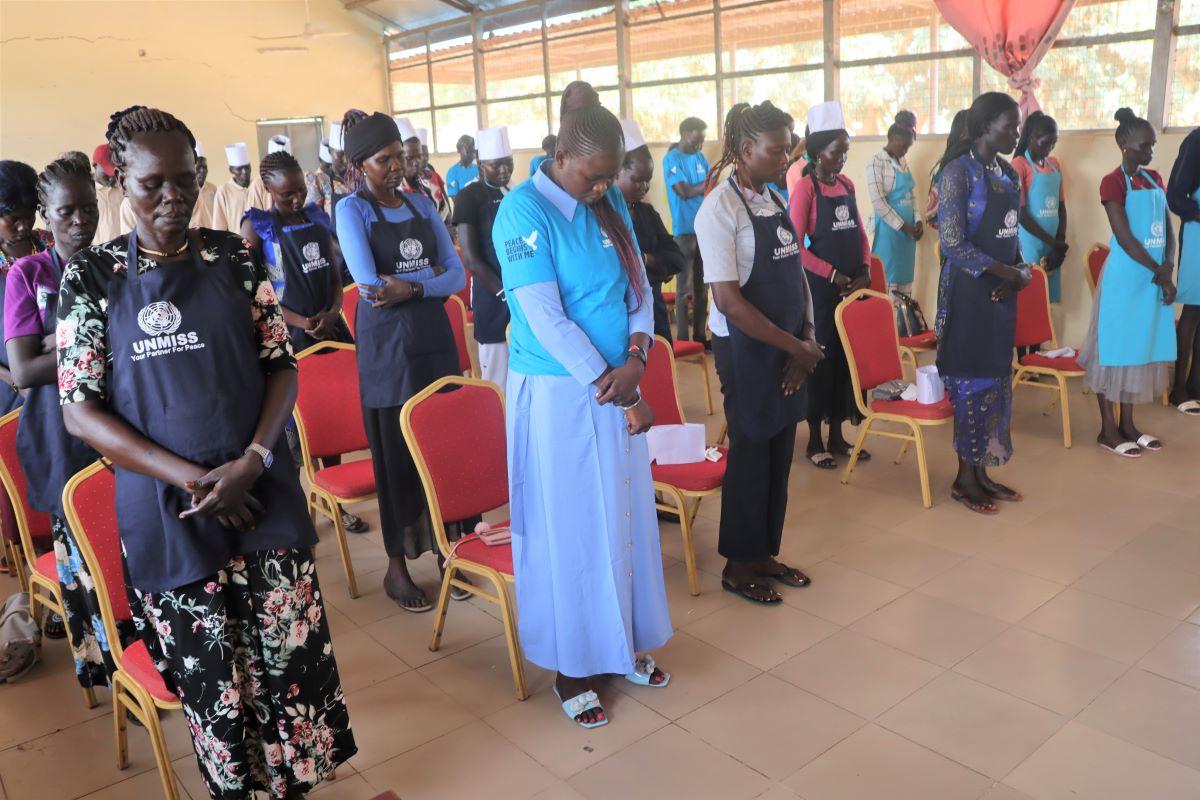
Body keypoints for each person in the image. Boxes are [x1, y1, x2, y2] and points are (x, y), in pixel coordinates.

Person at [58, 105, 355, 798]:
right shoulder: (93, 278)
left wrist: (253, 459)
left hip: (260, 491)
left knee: (291, 669)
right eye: (152, 183)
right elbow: (80, 411)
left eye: (185, 180)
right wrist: (195, 479)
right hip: (172, 509)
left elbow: (281, 366)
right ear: (122, 185)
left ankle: (297, 787)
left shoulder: (234, 257)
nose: (172, 197)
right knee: (216, 684)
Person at [493, 82, 671, 728]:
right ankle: (573, 667)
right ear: (561, 155)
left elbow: (638, 288)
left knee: (623, 518)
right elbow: (545, 319)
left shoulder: (608, 202)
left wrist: (638, 358)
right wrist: (615, 384)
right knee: (572, 529)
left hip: (618, 381)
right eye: (592, 177)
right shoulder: (522, 213)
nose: (601, 189)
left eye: (608, 179)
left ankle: (619, 645)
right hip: (559, 395)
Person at [335, 112, 468, 611]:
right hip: (388, 352)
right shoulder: (352, 211)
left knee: (443, 447)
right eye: (384, 160)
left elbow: (456, 276)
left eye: (399, 157)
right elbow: (370, 287)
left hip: (433, 342)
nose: (396, 167)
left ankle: (449, 552)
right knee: (395, 454)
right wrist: (427, 278)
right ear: (360, 165)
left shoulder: (421, 203)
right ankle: (397, 567)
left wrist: (411, 287)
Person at [697, 101, 822, 605]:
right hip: (746, 349)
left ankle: (765, 552)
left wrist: (807, 338)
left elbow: (797, 277)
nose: (786, 157)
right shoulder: (719, 209)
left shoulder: (773, 197)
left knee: (779, 451)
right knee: (751, 453)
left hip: (789, 346)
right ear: (746, 149)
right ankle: (737, 564)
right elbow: (729, 302)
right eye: (777, 150)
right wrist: (798, 348)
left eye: (788, 148)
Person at [6, 154, 113, 685]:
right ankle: (104, 668)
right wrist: (96, 343)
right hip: (59, 435)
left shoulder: (114, 264)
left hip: (117, 426)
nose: (80, 220)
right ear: (45, 214)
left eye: (88, 208)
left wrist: (59, 342)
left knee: (123, 548)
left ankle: (144, 660)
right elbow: (26, 370)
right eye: (67, 211)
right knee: (84, 557)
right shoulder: (28, 275)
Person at [936, 92, 1030, 513]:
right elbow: (953, 243)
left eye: (1017, 126)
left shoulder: (1007, 173)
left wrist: (1020, 272)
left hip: (1001, 293)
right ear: (985, 127)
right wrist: (1007, 273)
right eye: (1010, 126)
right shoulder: (958, 173)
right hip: (970, 293)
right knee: (970, 384)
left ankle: (983, 471)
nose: (1016, 133)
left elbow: (1013, 235)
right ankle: (963, 479)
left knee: (995, 382)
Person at [1079, 107, 1176, 456]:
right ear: (1124, 145)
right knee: (1113, 351)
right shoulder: (1113, 182)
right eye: (1144, 146)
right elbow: (1124, 237)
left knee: (1137, 349)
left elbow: (1167, 230)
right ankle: (1108, 430)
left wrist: (1168, 266)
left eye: (1152, 145)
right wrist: (1158, 271)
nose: (1150, 151)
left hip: (1151, 279)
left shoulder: (1155, 179)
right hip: (1125, 280)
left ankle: (1129, 425)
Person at [789, 101, 872, 470]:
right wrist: (831, 274)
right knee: (822, 362)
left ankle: (838, 434)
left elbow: (862, 236)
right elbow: (795, 246)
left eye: (845, 152)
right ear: (817, 151)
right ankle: (815, 440)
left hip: (851, 290)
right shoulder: (805, 189)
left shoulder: (847, 185)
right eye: (836, 152)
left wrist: (864, 270)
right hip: (822, 292)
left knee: (846, 362)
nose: (841, 159)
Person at [451, 126, 513, 389]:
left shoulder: (514, 192)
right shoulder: (469, 196)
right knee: (499, 379)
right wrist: (504, 293)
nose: (504, 171)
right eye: (496, 165)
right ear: (481, 165)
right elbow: (471, 258)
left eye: (508, 163)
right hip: (493, 295)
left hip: (520, 294)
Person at [617, 118, 684, 343]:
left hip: (655, 315)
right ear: (616, 173)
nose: (644, 187)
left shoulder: (646, 213)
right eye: (637, 180)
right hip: (622, 322)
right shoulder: (600, 218)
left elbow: (676, 258)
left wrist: (644, 259)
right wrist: (657, 269)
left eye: (648, 180)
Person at [0, 160, 52, 414]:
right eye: (13, 219)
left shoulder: (49, 244)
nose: (24, 226)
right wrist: (14, 380)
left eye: (29, 214)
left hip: (54, 374)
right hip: (10, 391)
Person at [1013, 111, 1069, 303]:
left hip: (1053, 243)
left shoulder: (1054, 164)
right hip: (1030, 241)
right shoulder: (1019, 165)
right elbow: (1021, 214)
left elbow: (1061, 206)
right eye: (1045, 143)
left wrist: (1060, 241)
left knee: (1048, 300)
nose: (1050, 148)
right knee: (1031, 299)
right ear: (1031, 138)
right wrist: (1054, 243)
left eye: (1054, 143)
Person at [664, 117, 710, 344]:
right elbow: (684, 192)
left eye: (702, 141)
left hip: (705, 229)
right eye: (696, 140)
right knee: (684, 287)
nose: (699, 146)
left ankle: (700, 337)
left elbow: (709, 189)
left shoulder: (700, 157)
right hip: (684, 229)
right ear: (684, 134)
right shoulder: (672, 159)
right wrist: (706, 185)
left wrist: (704, 186)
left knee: (703, 287)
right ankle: (683, 339)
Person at [868, 110, 923, 295]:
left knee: (905, 288)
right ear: (892, 138)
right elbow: (878, 203)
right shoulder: (876, 162)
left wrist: (918, 220)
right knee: (888, 285)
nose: (905, 151)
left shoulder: (902, 161)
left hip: (907, 237)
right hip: (888, 233)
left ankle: (904, 316)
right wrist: (905, 227)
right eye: (903, 146)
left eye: (908, 148)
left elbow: (910, 194)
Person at [1166, 123, 1200, 414]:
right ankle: (1178, 389)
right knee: (1192, 311)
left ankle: (1196, 385)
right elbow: (1175, 196)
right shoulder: (1196, 142)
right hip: (1197, 233)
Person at [121, 140, 214, 233]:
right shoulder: (128, 203)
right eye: (152, 183)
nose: (172, 195)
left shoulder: (191, 192)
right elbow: (128, 237)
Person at [393, 119, 450, 222]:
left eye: (419, 157)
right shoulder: (395, 189)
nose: (416, 162)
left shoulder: (429, 182)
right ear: (398, 158)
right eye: (409, 158)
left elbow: (445, 212)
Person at [925, 109, 969, 232]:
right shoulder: (957, 164)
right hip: (957, 234)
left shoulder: (945, 160)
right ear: (964, 134)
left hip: (948, 231)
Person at [212, 141, 254, 232]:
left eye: (247, 167)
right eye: (239, 169)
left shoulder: (257, 187)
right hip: (237, 240)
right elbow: (219, 228)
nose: (244, 172)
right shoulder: (223, 191)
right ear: (231, 170)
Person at [92, 144, 123, 242]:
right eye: (107, 174)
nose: (112, 178)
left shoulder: (124, 189)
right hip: (96, 250)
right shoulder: (87, 193)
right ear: (95, 165)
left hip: (123, 249)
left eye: (115, 174)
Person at [445, 134, 479, 199]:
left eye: (474, 151)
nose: (473, 155)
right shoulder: (452, 172)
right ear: (459, 150)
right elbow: (455, 200)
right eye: (469, 151)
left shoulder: (478, 169)